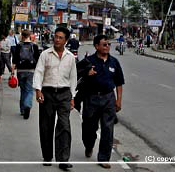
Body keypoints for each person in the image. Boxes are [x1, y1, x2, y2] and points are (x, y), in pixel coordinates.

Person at [33, 26, 77, 170]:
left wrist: (72, 97)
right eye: (56, 37)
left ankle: (63, 159)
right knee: (46, 125)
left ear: (66, 40)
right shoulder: (45, 54)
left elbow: (73, 79)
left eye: (60, 38)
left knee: (64, 126)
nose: (57, 39)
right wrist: (38, 91)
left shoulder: (70, 57)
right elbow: (39, 72)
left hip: (64, 94)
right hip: (48, 93)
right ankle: (47, 156)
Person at [81, 35, 124, 169]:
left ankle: (104, 158)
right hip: (91, 98)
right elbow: (77, 75)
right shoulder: (88, 61)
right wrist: (87, 74)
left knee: (108, 129)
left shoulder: (114, 62)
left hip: (108, 98)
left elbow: (119, 83)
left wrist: (119, 100)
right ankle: (89, 145)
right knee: (89, 128)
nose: (107, 47)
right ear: (96, 46)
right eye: (104, 44)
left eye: (108, 44)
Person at [12, 29, 40, 119]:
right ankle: (27, 105)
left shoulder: (19, 46)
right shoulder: (34, 46)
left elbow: (15, 60)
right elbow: (38, 60)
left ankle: (22, 109)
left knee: (23, 90)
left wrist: (12, 71)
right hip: (31, 70)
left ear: (22, 36)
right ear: (30, 36)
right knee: (29, 90)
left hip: (20, 70)